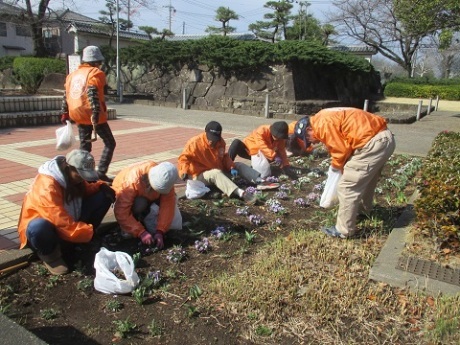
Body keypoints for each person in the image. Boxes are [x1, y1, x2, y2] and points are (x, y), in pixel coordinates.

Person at [17, 149, 115, 275]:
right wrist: (88, 232)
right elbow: (59, 221)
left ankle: (78, 240)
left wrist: (101, 186)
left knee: (103, 196)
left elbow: (86, 189)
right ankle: (51, 256)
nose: (82, 179)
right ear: (69, 168)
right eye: (80, 175)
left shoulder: (73, 178)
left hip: (68, 223)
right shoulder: (47, 186)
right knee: (38, 227)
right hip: (47, 230)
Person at [303, 107, 396, 238]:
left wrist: (336, 169)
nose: (312, 143)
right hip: (384, 138)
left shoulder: (321, 124)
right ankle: (363, 211)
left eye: (308, 139)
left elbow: (341, 150)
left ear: (309, 129)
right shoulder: (323, 116)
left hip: (372, 143)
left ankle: (343, 230)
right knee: (367, 180)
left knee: (347, 186)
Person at [61, 45, 116, 184]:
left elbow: (66, 95)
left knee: (85, 147)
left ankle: (82, 175)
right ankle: (101, 173)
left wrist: (64, 112)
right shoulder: (96, 73)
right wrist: (96, 113)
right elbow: (92, 92)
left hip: (77, 113)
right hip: (92, 114)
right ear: (97, 61)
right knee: (110, 143)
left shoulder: (72, 75)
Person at [178, 121, 261, 204]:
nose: (212, 141)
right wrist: (183, 171)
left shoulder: (220, 142)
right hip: (199, 175)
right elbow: (183, 158)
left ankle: (260, 180)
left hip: (217, 171)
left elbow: (224, 157)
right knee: (215, 173)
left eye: (214, 139)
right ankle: (241, 193)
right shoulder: (194, 143)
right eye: (210, 138)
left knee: (238, 165)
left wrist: (231, 167)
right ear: (205, 132)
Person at [112, 161, 181, 249]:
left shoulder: (165, 177)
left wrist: (161, 230)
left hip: (147, 195)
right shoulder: (132, 182)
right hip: (121, 197)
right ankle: (133, 221)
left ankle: (143, 217)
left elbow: (168, 205)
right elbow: (121, 211)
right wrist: (141, 232)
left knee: (169, 198)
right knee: (140, 204)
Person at [228, 121, 297, 179]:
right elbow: (262, 146)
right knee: (236, 143)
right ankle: (228, 166)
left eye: (279, 137)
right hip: (248, 150)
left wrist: (286, 165)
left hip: (263, 155)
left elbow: (282, 151)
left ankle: (253, 170)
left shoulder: (281, 139)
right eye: (276, 136)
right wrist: (274, 156)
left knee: (263, 172)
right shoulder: (262, 130)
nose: (277, 139)